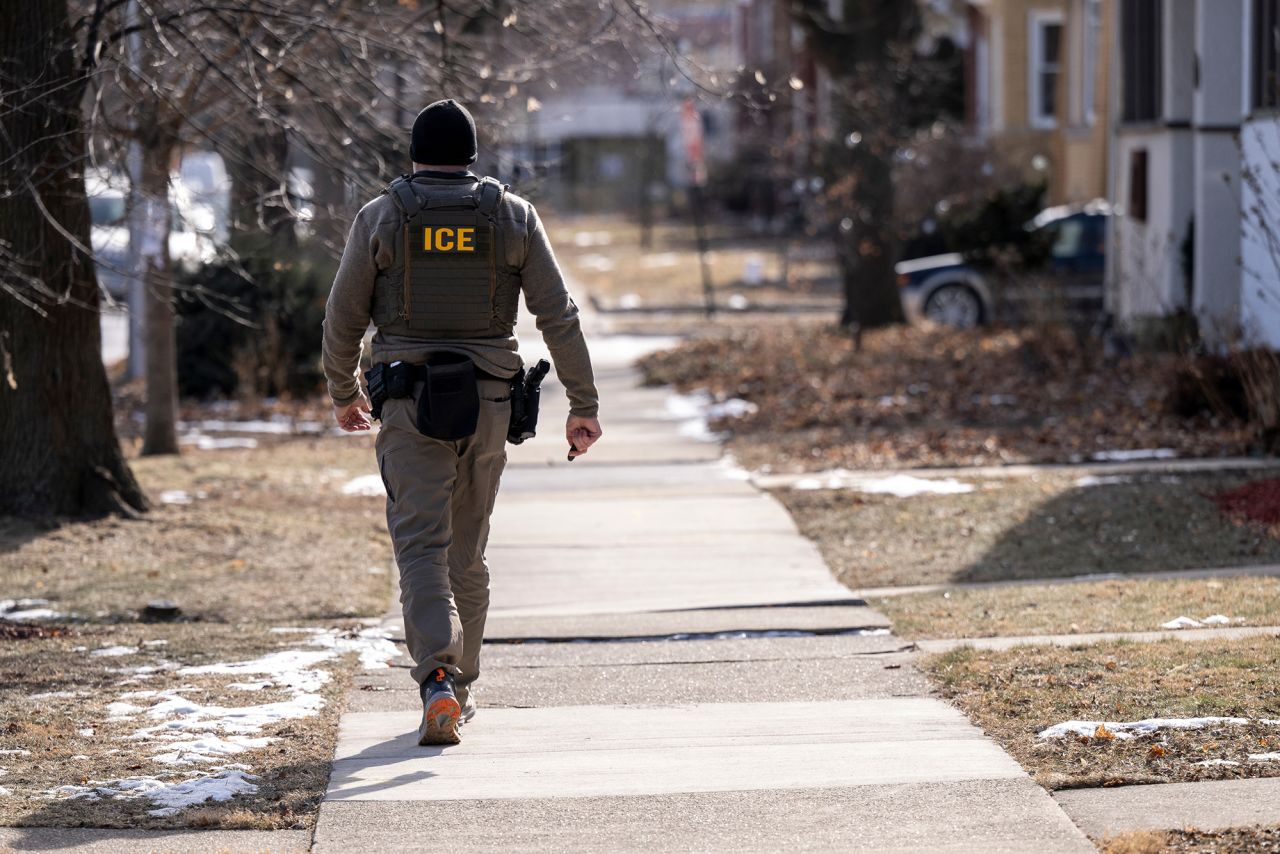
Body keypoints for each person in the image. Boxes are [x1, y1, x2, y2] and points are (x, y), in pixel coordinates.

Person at [321, 99, 602, 745]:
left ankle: (436, 680)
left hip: (406, 402)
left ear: (414, 154)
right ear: (472, 155)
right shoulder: (511, 215)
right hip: (488, 403)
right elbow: (558, 314)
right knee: (466, 554)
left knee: (421, 547)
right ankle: (462, 686)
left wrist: (342, 391)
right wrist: (582, 405)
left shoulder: (383, 215)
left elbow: (343, 318)